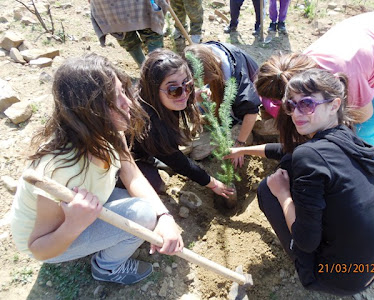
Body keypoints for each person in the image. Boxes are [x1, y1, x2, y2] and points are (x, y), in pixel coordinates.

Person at [10, 54, 183, 285]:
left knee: (151, 210)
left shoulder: (106, 131)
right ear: (89, 111)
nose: (128, 104)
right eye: (114, 100)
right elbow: (39, 250)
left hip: (85, 204)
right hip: (51, 239)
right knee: (142, 214)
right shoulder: (59, 170)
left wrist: (165, 217)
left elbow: (131, 174)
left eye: (123, 91)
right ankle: (107, 269)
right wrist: (73, 225)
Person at [226, 68, 374, 296]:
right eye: (291, 106)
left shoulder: (310, 156)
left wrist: (283, 194)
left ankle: (311, 272)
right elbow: (288, 152)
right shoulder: (345, 134)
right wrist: (243, 149)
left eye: (306, 104)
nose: (296, 114)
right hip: (373, 263)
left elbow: (305, 241)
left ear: (333, 105)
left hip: (340, 277)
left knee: (268, 188)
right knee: (290, 167)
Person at [256, 7, 374, 147]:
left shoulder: (345, 78)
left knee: (363, 129)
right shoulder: (298, 66)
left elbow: (364, 115)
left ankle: (364, 168)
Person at [131, 49, 234, 202]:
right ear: (153, 90)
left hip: (147, 147)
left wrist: (192, 98)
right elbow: (181, 164)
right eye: (174, 90)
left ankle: (150, 157)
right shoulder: (150, 126)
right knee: (156, 184)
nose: (184, 93)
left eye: (188, 85)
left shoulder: (151, 99)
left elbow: (181, 95)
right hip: (121, 162)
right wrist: (212, 183)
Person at [184, 41, 261, 168]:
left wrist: (240, 144)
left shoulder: (238, 80)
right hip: (220, 82)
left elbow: (252, 110)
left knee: (232, 120)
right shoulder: (202, 53)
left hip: (249, 87)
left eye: (203, 81)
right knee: (203, 106)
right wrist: (196, 96)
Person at [89, 0, 168, 67]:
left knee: (127, 39)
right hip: (141, 5)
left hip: (109, 7)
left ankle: (145, 69)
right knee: (152, 36)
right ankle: (154, 70)